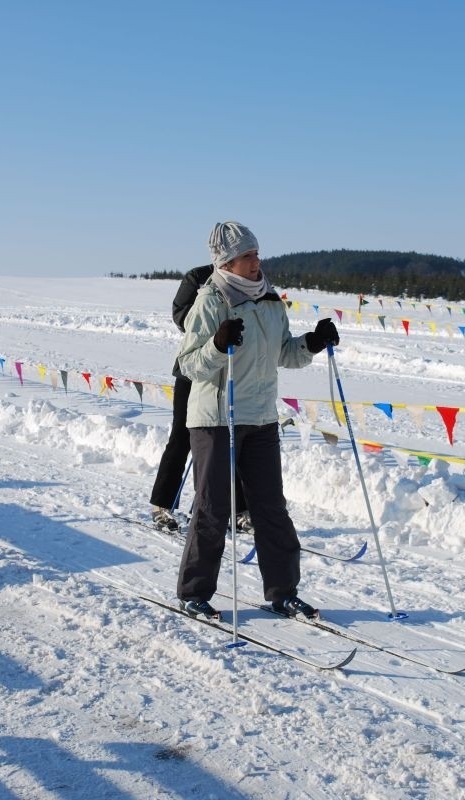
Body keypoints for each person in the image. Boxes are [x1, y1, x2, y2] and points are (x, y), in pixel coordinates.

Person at [176, 221, 339, 620]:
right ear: (227, 262)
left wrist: (312, 343)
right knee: (214, 509)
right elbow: (188, 364)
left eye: (257, 253)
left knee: (271, 508)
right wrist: (216, 344)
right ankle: (194, 592)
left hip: (263, 417)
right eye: (247, 256)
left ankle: (283, 591)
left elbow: (285, 353)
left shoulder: (270, 301)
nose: (256, 261)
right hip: (218, 418)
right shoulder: (211, 300)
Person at [149, 264, 251, 532]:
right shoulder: (198, 276)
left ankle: (238, 510)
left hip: (230, 370)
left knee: (232, 439)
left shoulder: (246, 279)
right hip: (193, 371)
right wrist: (213, 326)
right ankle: (162, 505)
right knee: (182, 438)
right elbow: (180, 314)